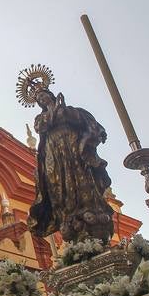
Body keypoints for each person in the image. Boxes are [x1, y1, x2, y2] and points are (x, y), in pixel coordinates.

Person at [28, 86, 114, 245]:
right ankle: (68, 215)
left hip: (74, 148)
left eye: (43, 95)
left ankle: (89, 211)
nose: (42, 99)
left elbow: (83, 120)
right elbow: (41, 127)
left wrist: (63, 110)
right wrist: (54, 111)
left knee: (82, 178)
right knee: (59, 187)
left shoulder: (70, 110)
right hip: (54, 155)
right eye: (39, 99)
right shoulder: (41, 118)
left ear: (50, 95)